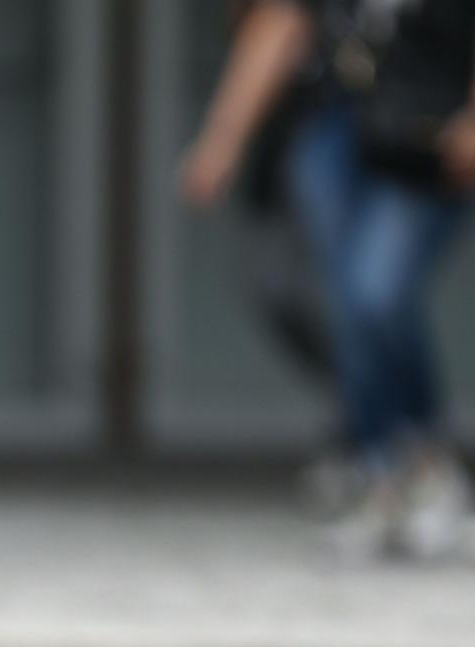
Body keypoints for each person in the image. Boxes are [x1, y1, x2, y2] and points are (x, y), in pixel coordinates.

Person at [183, 0, 475, 559]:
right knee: (349, 299)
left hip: (425, 131)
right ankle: (382, 472)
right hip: (330, 128)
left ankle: (420, 460)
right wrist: (222, 141)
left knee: (375, 292)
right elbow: (281, 22)